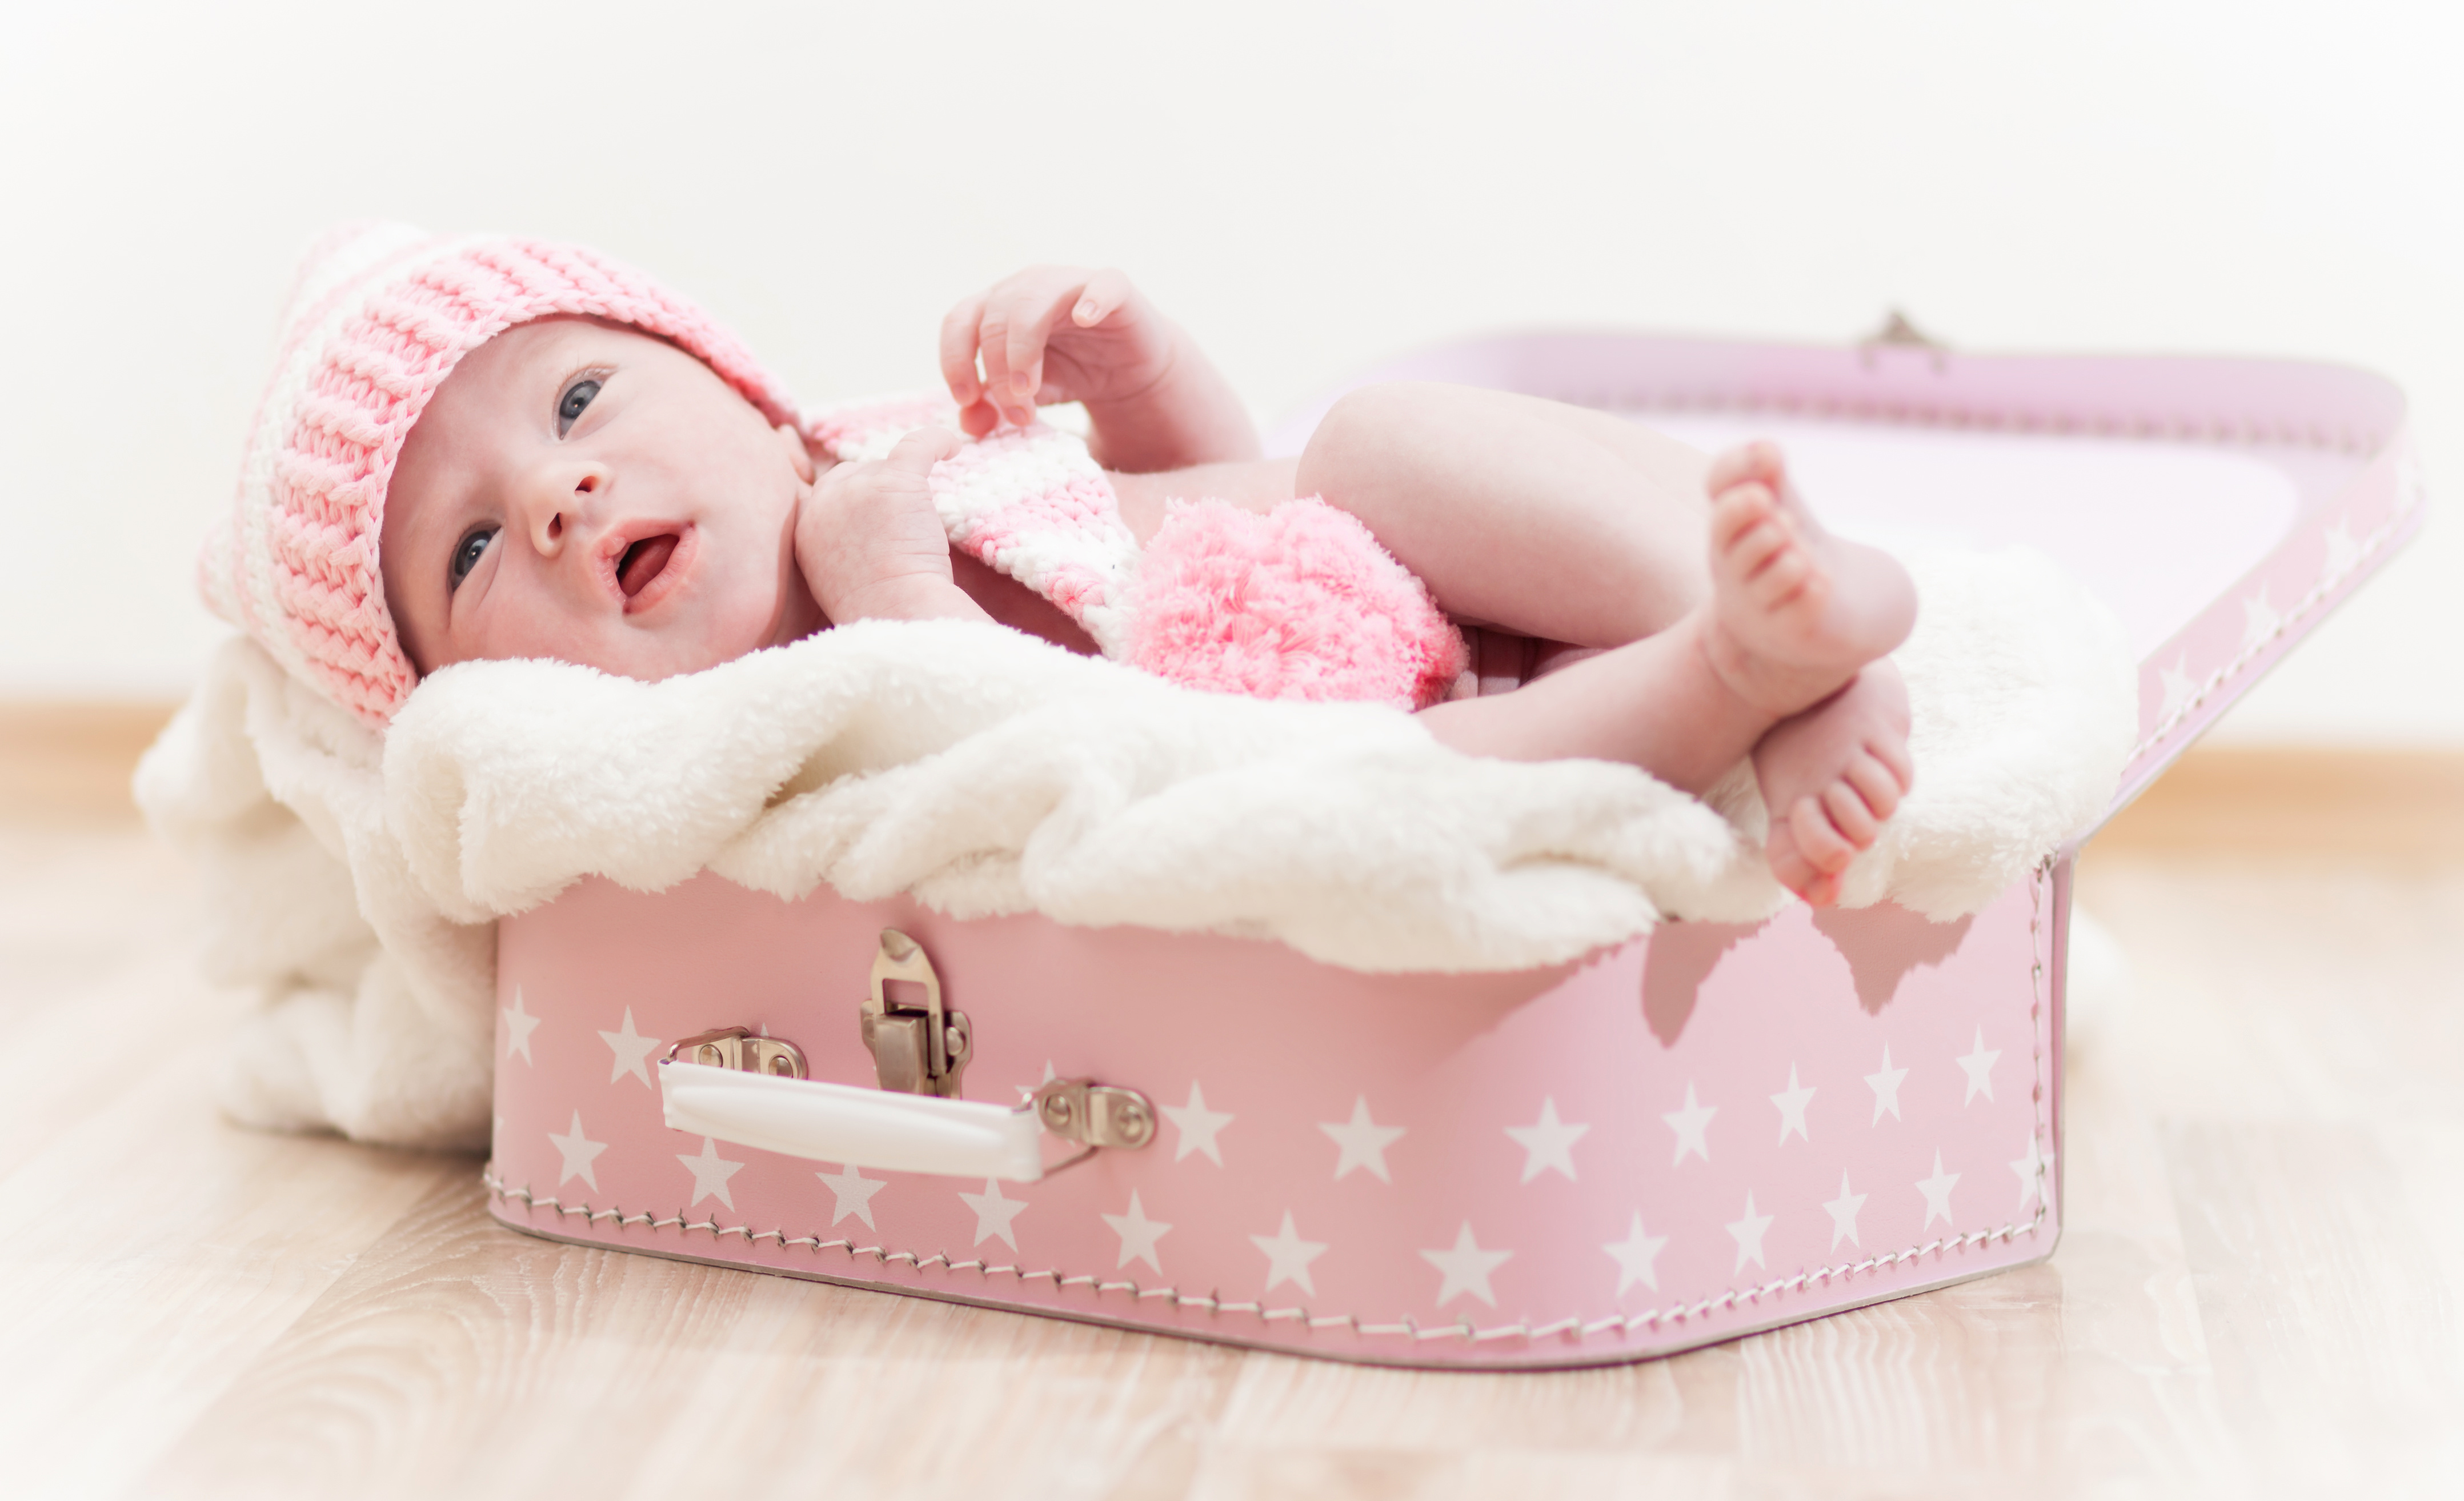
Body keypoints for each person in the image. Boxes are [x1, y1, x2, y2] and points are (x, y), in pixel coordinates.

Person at [219, 230, 1916, 906]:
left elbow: (1194, 508)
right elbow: (1028, 761)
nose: (556, 494)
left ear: (748, 400)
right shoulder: (767, 741)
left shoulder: (890, 450)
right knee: (1382, 789)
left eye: (580, 399)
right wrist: (898, 607)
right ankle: (1734, 671)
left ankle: (1740, 601)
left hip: (1429, 565)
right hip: (1410, 721)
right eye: (468, 549)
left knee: (1380, 442)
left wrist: (1139, 378)